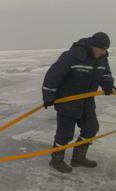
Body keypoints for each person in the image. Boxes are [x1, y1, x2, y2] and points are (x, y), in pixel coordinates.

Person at [42, 32, 114, 173]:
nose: (103, 52)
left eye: (105, 50)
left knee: (91, 129)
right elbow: (53, 75)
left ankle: (78, 158)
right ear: (93, 46)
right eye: (101, 49)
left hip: (87, 102)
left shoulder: (102, 58)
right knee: (65, 134)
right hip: (68, 102)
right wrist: (48, 96)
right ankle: (56, 161)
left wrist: (107, 83)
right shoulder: (73, 55)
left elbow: (106, 73)